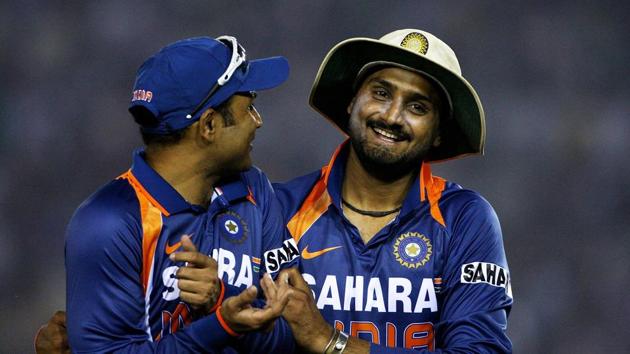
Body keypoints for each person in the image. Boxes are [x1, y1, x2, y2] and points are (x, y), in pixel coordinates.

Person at [37, 29, 512, 353]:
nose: (391, 116)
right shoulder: (270, 206)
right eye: (381, 93)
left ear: (438, 132)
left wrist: (332, 344)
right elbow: (214, 327)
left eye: (418, 105)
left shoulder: (467, 220)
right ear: (352, 100)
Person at [60, 35, 300, 353]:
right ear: (209, 125)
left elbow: (297, 333)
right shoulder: (108, 223)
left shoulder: (254, 190)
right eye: (249, 108)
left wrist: (219, 300)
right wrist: (220, 326)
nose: (258, 121)